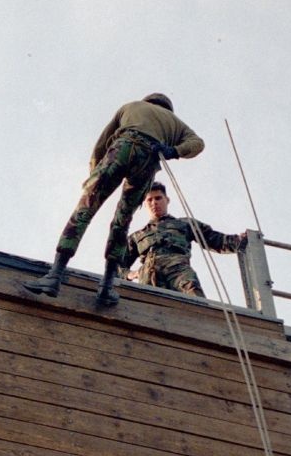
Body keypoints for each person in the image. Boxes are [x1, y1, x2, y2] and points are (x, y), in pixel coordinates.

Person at [24, 93, 203, 307]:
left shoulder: (131, 106)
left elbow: (100, 146)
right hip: (149, 159)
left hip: (125, 145)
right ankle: (107, 286)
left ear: (147, 102)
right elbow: (197, 144)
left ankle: (55, 275)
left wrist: (95, 176)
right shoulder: (175, 123)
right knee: (122, 222)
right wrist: (173, 150)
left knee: (85, 210)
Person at [120, 183, 247, 298]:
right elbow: (117, 264)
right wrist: (132, 274)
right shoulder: (137, 236)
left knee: (195, 298)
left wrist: (240, 240)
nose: (154, 203)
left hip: (178, 270)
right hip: (150, 275)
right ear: (145, 203)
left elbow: (215, 239)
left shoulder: (184, 224)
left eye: (158, 198)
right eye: (150, 200)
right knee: (151, 309)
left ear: (167, 200)